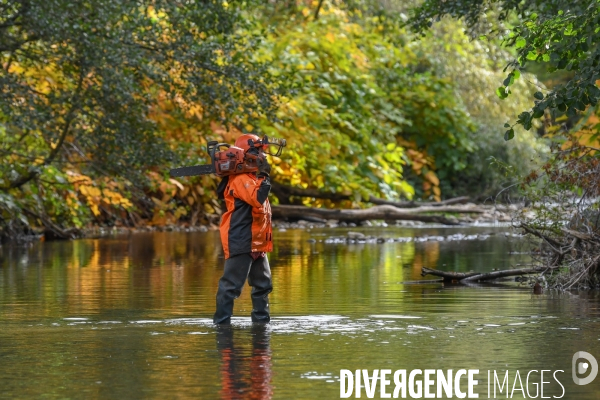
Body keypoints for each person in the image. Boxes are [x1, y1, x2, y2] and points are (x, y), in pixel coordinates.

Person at [213, 133, 273, 324]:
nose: (263, 156)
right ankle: (221, 325)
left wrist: (262, 176)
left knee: (263, 285)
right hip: (241, 239)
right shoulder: (240, 179)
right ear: (247, 154)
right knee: (231, 286)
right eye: (259, 152)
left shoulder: (250, 178)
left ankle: (261, 325)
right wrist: (264, 175)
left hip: (257, 241)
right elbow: (257, 199)